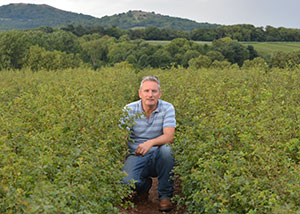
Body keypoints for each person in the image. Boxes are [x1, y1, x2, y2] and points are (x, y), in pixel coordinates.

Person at [122, 75, 176, 212]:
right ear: (140, 93)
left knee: (167, 150)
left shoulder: (167, 108)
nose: (150, 95)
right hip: (137, 154)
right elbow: (121, 136)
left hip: (159, 155)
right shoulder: (129, 109)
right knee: (126, 182)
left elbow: (169, 136)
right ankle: (144, 186)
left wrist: (150, 143)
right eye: (146, 91)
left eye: (154, 91)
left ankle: (165, 195)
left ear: (160, 93)